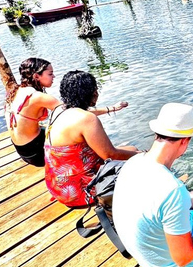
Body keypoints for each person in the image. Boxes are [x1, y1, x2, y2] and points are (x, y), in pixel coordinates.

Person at [112, 103, 193, 267]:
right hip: (170, 265)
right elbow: (183, 258)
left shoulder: (134, 162)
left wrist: (192, 202)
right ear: (185, 141)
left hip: (147, 254)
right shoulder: (172, 190)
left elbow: (154, 205)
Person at [5, 57, 128, 167]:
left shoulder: (15, 92)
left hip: (22, 150)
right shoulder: (38, 97)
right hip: (37, 153)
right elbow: (74, 113)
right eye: (50, 74)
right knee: (82, 129)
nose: (54, 77)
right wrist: (111, 108)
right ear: (37, 76)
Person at [44, 70, 138, 207]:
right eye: (95, 89)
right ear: (92, 93)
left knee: (131, 149)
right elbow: (110, 154)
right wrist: (144, 155)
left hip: (57, 186)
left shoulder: (58, 110)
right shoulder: (87, 119)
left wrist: (111, 109)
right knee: (138, 163)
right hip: (79, 191)